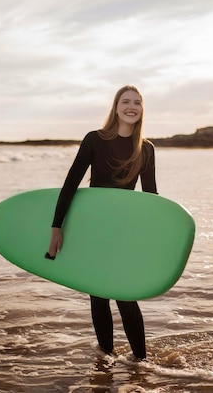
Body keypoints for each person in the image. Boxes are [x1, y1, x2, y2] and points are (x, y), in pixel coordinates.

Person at [47, 85, 157, 360]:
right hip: (94, 227)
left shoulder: (145, 149)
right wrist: (56, 227)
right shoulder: (94, 139)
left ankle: (140, 362)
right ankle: (106, 358)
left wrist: (153, 237)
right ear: (116, 107)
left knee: (124, 293)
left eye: (137, 103)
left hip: (124, 229)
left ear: (142, 109)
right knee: (97, 294)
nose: (131, 107)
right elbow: (71, 184)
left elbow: (151, 197)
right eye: (125, 101)